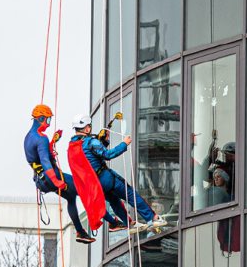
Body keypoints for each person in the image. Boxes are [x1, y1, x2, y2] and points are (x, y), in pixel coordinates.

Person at [74, 115, 165, 232]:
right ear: (86, 129)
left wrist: (104, 142)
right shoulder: (91, 141)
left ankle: (130, 223)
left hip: (95, 184)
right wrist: (124, 144)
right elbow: (107, 155)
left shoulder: (74, 147)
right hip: (105, 178)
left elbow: (91, 158)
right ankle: (152, 218)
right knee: (130, 194)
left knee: (114, 201)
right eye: (89, 127)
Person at [24, 104, 95, 244]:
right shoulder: (40, 138)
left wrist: (53, 141)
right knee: (85, 188)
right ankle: (106, 218)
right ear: (41, 118)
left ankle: (81, 232)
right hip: (51, 178)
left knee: (71, 197)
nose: (48, 124)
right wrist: (56, 181)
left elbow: (39, 155)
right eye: (48, 120)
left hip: (41, 181)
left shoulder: (29, 137)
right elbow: (45, 161)